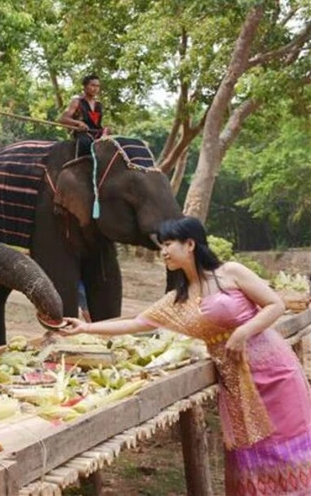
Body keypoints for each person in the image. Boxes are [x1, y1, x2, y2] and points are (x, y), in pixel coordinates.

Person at [60, 216, 311, 494]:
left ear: (190, 244)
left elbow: (275, 304)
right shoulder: (178, 298)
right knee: (252, 454)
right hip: (236, 384)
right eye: (162, 245)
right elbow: (137, 323)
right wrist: (85, 327)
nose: (163, 251)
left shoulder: (231, 272)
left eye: (168, 244)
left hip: (276, 373)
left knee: (289, 448)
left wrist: (243, 333)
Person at [58, 74, 109, 157]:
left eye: (97, 86)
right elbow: (62, 119)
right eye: (92, 85)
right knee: (86, 143)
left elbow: (96, 124)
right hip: (83, 134)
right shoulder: (77, 101)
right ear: (85, 87)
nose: (95, 88)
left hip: (97, 134)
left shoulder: (99, 105)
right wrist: (78, 123)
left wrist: (106, 130)